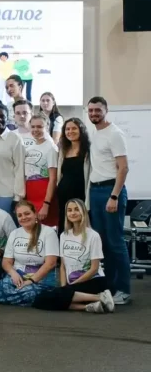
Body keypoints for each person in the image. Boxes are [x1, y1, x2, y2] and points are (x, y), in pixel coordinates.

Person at [85, 96, 130, 305]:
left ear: (106, 110)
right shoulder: (95, 133)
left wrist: (114, 196)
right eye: (91, 110)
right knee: (102, 243)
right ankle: (111, 287)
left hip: (111, 191)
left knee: (116, 242)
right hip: (95, 191)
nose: (94, 113)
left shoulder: (115, 134)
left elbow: (124, 167)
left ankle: (124, 289)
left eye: (98, 110)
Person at [33, 199, 115, 313]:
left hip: (93, 281)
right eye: (69, 210)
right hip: (72, 285)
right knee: (39, 300)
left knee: (51, 297)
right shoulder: (64, 235)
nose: (73, 213)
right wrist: (64, 287)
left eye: (77, 209)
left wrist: (70, 287)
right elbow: (62, 266)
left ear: (83, 212)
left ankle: (101, 296)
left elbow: (94, 269)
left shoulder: (93, 236)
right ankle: (92, 305)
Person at [0, 104, 25, 214]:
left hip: (6, 194)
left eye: (2, 116)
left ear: (7, 118)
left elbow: (20, 168)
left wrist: (18, 197)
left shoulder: (15, 139)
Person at [25, 114, 59, 228]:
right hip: (30, 193)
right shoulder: (29, 149)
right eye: (33, 126)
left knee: (46, 229)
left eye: (39, 127)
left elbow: (53, 178)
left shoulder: (51, 148)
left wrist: (46, 204)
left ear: (47, 127)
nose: (36, 129)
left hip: (44, 194)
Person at [56, 118, 90, 233]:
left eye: (74, 128)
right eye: (67, 129)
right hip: (63, 196)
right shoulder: (63, 150)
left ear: (81, 130)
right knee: (64, 226)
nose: (70, 131)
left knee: (80, 226)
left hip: (81, 195)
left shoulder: (88, 150)